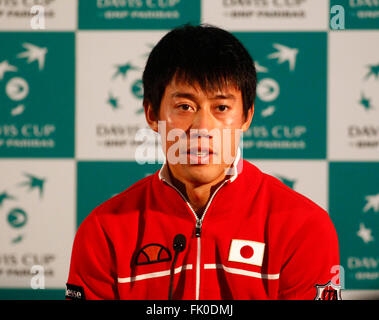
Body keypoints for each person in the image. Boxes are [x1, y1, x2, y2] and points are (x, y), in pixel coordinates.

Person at [66, 24, 340, 300]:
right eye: (185, 107)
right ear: (152, 114)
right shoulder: (103, 230)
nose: (202, 128)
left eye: (221, 108)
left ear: (246, 116)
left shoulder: (304, 227)